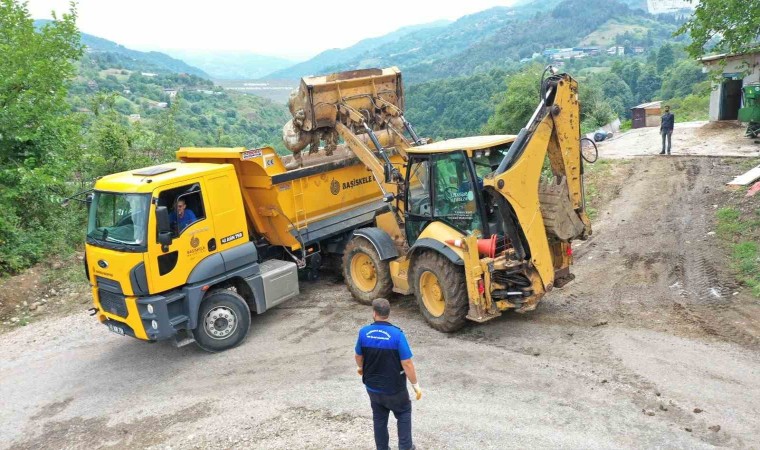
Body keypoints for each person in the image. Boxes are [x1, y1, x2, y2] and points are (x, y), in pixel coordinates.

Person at [355, 298, 421, 450]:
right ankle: (405, 447)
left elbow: (358, 356)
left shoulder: (364, 332)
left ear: (374, 313)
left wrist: (361, 368)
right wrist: (415, 385)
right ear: (388, 313)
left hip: (372, 387)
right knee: (403, 413)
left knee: (379, 419)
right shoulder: (397, 335)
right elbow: (407, 363)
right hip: (394, 388)